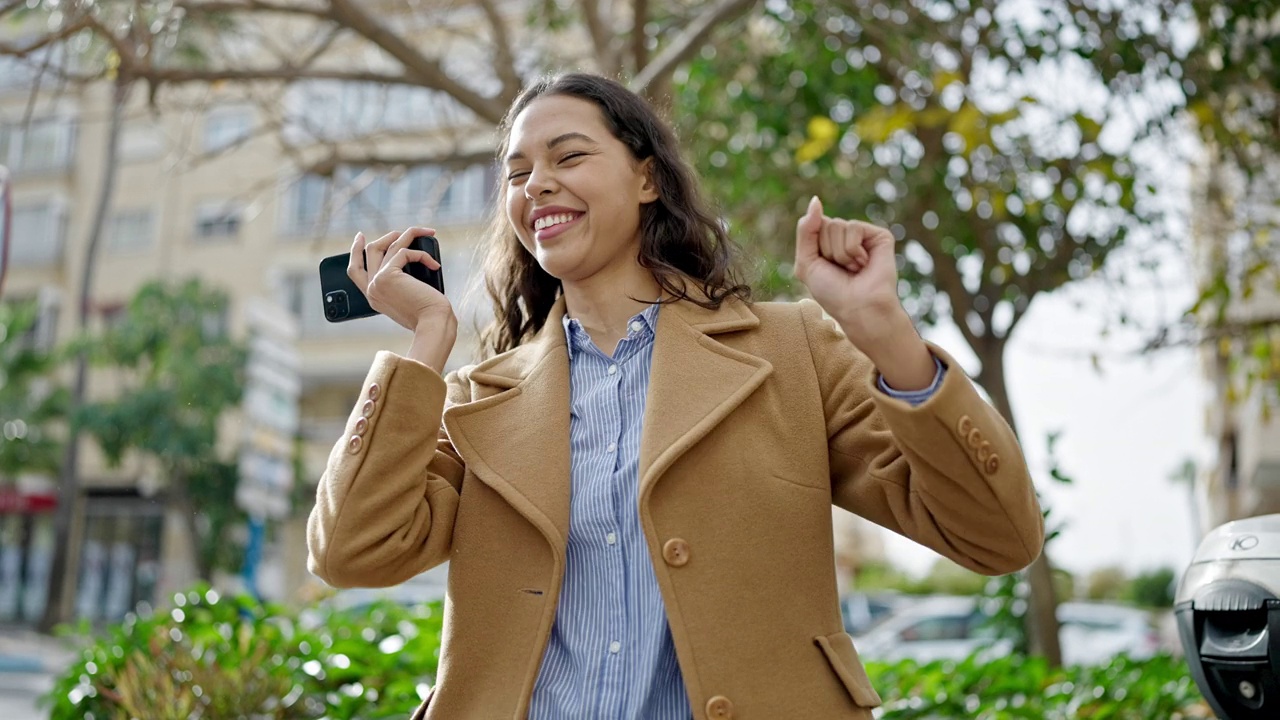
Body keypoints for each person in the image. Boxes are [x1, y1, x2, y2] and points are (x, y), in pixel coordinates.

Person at [306, 72, 1044, 720]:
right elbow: (348, 553)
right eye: (517, 172)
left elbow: (996, 537)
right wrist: (428, 340)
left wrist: (885, 334)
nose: (537, 185)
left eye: (569, 156)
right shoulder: (478, 398)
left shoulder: (791, 351)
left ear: (647, 179)